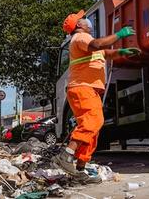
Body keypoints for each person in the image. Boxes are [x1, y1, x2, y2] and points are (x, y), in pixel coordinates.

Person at [52, 10, 140, 183]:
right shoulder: (80, 38)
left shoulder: (86, 43)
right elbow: (99, 45)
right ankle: (66, 155)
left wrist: (122, 52)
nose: (87, 21)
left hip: (87, 90)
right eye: (83, 19)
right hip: (82, 88)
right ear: (78, 25)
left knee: (93, 129)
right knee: (92, 123)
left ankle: (80, 170)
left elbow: (106, 53)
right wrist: (120, 34)